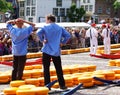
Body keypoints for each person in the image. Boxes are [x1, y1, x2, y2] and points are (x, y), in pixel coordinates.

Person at [36, 14, 71, 90]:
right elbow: (68, 35)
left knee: (46, 69)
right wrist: (62, 42)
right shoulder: (60, 27)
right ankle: (62, 85)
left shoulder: (45, 26)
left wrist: (43, 40)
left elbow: (38, 32)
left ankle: (47, 86)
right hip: (56, 50)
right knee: (58, 68)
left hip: (46, 49)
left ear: (48, 19)